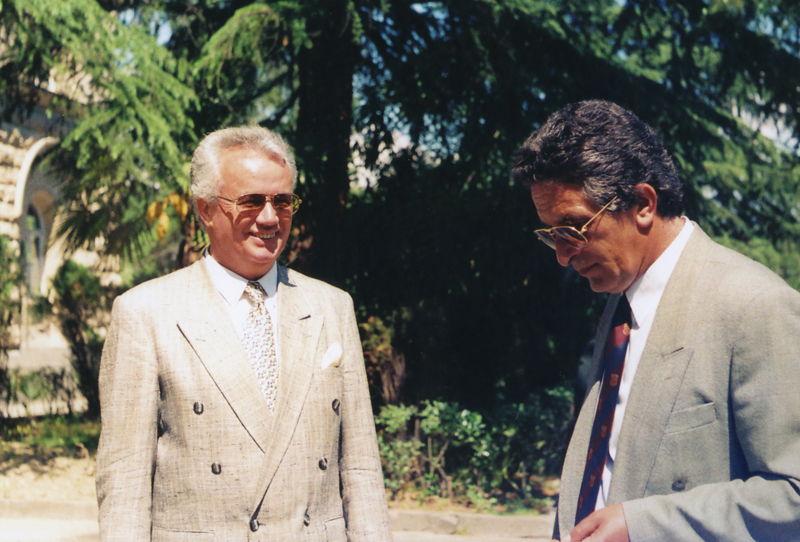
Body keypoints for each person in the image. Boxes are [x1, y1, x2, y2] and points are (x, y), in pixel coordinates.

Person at [512, 100, 800, 542]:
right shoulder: (621, 299)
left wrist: (644, 525)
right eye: (552, 235)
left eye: (573, 228)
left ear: (644, 204)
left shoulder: (756, 305)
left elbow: (792, 494)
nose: (563, 256)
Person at [96, 126, 393, 541]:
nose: (270, 218)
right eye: (251, 201)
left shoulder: (332, 306)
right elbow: (125, 480)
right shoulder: (146, 313)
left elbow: (361, 466)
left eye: (282, 201)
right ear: (206, 210)